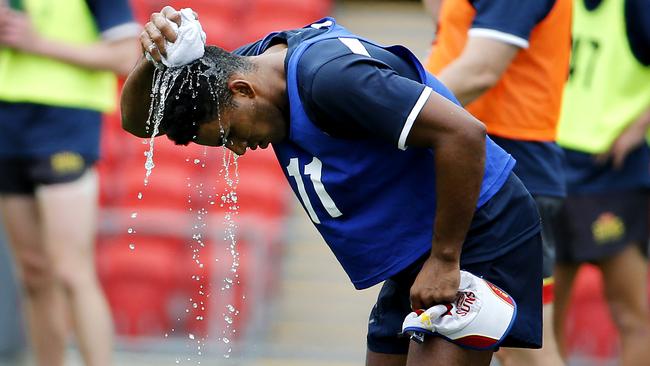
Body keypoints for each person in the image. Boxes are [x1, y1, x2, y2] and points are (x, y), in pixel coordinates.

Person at [122, 7, 544, 365]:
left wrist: (445, 258)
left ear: (243, 92)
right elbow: (138, 122)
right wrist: (154, 57)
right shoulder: (248, 68)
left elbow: (464, 134)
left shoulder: (331, 79)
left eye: (230, 132)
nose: (238, 149)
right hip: (419, 251)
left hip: (478, 231)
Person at [422, 0, 572, 365]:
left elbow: (479, 71)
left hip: (508, 172)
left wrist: (396, 110)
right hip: (485, 166)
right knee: (504, 343)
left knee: (518, 347)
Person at [0, 0, 140, 365]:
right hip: (6, 123)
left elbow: (127, 56)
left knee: (70, 269)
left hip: (63, 122)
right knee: (32, 272)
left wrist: (36, 42)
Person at [552, 0, 650, 364]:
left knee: (630, 314)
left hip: (614, 175)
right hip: (553, 169)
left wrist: (638, 127)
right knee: (546, 320)